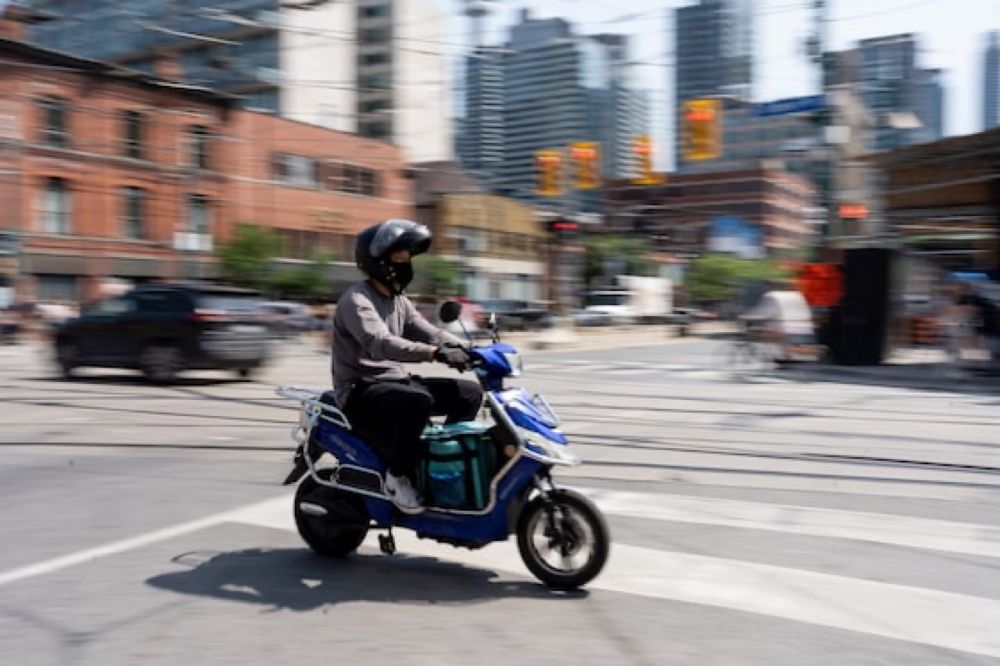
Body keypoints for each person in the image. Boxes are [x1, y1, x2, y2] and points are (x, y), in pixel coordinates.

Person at [331, 219, 483, 512]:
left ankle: (438, 464)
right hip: (360, 389)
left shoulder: (399, 300)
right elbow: (382, 343)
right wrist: (435, 354)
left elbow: (428, 330)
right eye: (399, 258)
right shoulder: (357, 300)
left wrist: (468, 349)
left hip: (394, 383)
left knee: (470, 394)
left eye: (408, 258)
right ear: (377, 261)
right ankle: (397, 475)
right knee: (418, 402)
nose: (406, 264)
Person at [740, 281, 816, 363]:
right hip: (805, 327)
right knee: (779, 334)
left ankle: (775, 355)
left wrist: (746, 317)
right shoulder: (797, 295)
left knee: (766, 334)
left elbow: (764, 312)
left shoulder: (772, 295)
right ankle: (790, 352)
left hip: (784, 328)